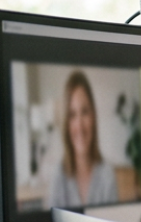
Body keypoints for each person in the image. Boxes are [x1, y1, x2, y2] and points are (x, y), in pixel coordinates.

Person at [48, 70, 119, 208]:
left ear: (93, 117)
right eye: (72, 115)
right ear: (66, 124)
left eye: (85, 112)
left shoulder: (107, 175)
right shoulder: (58, 176)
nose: (79, 126)